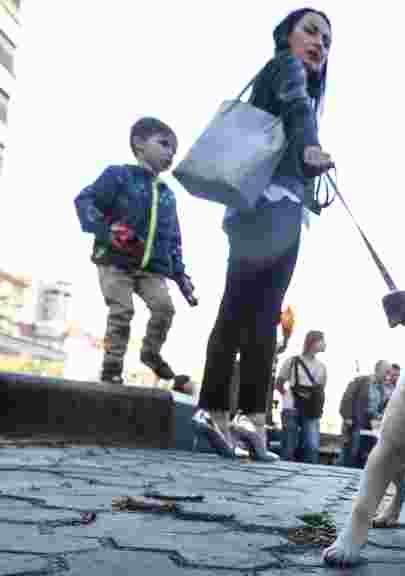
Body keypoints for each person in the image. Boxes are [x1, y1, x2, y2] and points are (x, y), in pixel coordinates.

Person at [191, 8, 334, 461]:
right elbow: (295, 107)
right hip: (266, 212)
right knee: (242, 312)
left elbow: (293, 121)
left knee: (258, 317)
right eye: (310, 31)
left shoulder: (301, 91)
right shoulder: (287, 69)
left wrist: (309, 184)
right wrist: (311, 146)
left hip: (279, 211)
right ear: (285, 36)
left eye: (327, 41)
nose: (319, 44)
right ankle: (219, 410)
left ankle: (248, 420)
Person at [74, 117, 198, 387]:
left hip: (151, 270)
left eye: (174, 150)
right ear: (139, 143)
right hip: (115, 261)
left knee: (165, 308)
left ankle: (150, 353)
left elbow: (173, 238)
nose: (170, 153)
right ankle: (111, 367)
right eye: (164, 144)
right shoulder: (118, 175)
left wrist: (181, 276)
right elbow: (85, 200)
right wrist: (107, 230)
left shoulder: (167, 194)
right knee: (122, 311)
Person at [276, 330, 328, 463]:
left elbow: (320, 390)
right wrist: (289, 396)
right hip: (291, 406)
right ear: (313, 342)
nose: (325, 344)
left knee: (312, 446)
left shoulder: (322, 367)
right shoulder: (292, 361)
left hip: (311, 409)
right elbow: (279, 383)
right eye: (322, 340)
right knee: (289, 446)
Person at [340, 360, 390, 468]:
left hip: (371, 426)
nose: (388, 376)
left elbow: (380, 407)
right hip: (356, 423)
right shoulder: (361, 381)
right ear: (378, 370)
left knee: (365, 456)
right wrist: (347, 417)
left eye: (389, 373)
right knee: (351, 454)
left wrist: (379, 415)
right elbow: (347, 398)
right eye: (386, 372)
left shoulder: (382, 389)